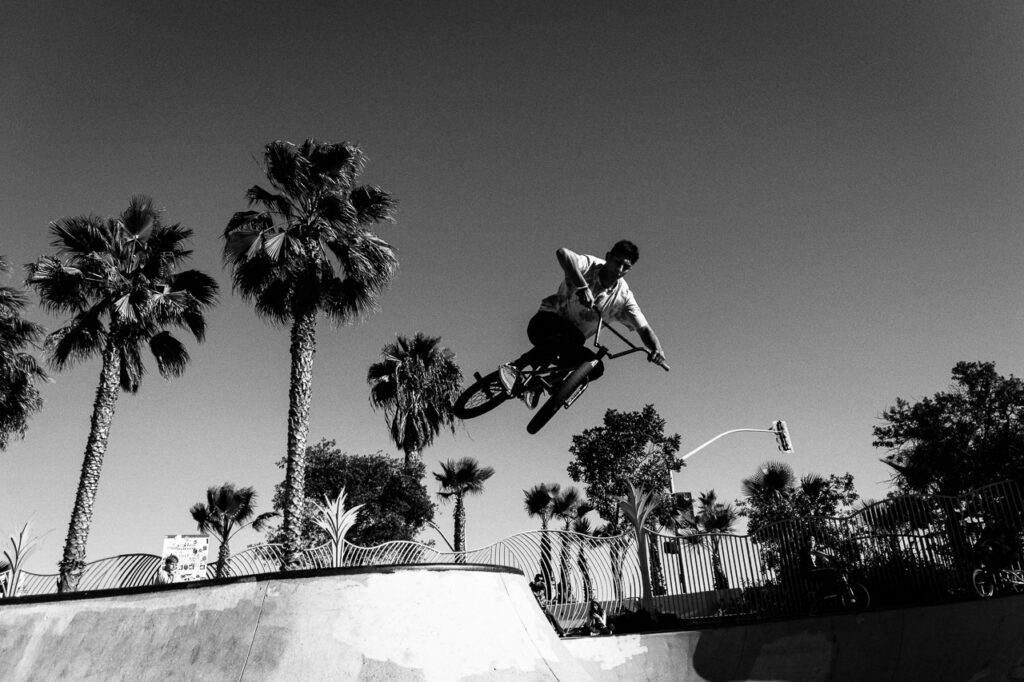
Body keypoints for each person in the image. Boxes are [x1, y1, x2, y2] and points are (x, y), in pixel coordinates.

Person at [499, 241, 667, 408]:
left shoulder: (624, 298)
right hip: (543, 325)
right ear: (608, 257)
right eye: (617, 263)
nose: (620, 270)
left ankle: (539, 385)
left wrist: (657, 350)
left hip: (567, 345)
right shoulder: (591, 265)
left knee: (595, 366)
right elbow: (562, 253)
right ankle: (514, 367)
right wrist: (582, 286)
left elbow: (644, 329)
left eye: (626, 267)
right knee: (574, 335)